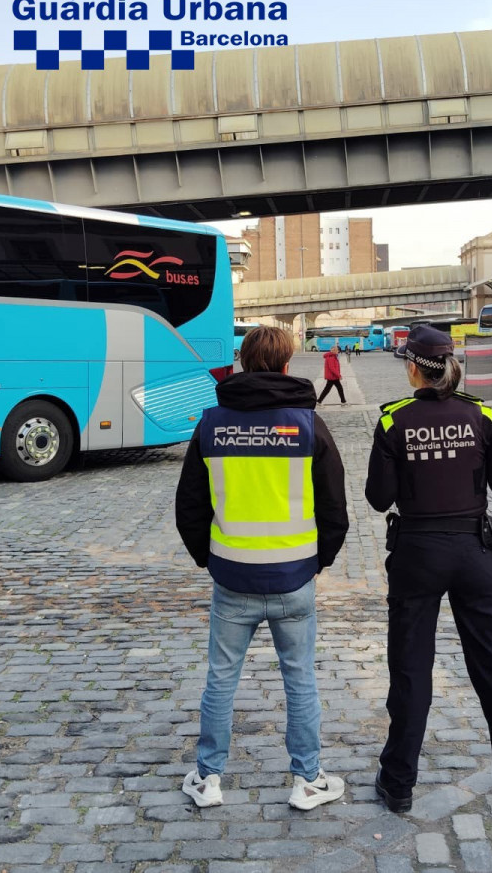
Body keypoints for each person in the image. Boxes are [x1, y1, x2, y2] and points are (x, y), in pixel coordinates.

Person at [175, 325, 350, 811]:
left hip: (232, 575)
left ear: (244, 363)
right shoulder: (310, 425)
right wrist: (319, 561)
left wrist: (208, 559)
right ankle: (308, 779)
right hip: (295, 576)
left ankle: (208, 778)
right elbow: (335, 508)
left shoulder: (211, 424)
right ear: (287, 366)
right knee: (300, 679)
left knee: (220, 679)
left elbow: (189, 506)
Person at [365, 325, 492, 813]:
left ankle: (398, 783)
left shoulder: (393, 421)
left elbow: (379, 499)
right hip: (474, 553)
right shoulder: (481, 415)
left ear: (414, 368)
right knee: (491, 666)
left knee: (411, 670)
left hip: (417, 554)